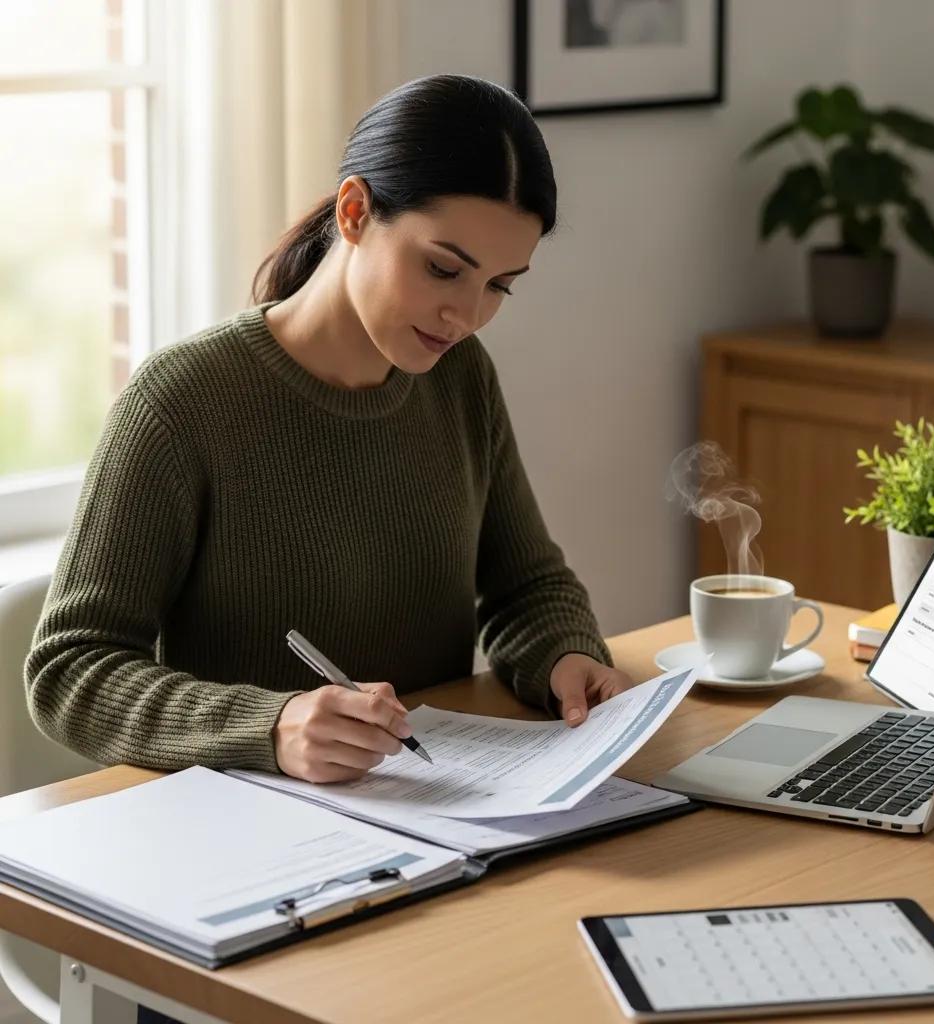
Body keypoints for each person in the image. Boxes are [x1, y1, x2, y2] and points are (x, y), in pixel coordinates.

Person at [27, 73, 635, 806]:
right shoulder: (182, 403)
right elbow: (70, 670)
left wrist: (565, 655)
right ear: (354, 212)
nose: (466, 315)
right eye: (443, 269)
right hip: (248, 831)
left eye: (500, 286)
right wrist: (272, 725)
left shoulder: (458, 378)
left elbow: (526, 586)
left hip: (433, 814)